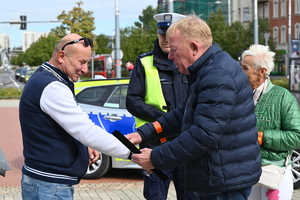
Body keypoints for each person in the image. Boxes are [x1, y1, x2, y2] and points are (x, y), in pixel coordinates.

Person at [126, 15, 262, 200]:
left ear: (194, 47)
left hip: (222, 183)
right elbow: (184, 113)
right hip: (218, 176)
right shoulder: (208, 69)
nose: (170, 56)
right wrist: (145, 133)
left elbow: (204, 134)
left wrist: (155, 158)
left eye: (174, 49)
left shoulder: (217, 74)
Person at [19, 33, 132, 200]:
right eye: (82, 62)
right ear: (61, 56)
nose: (85, 69)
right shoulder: (52, 86)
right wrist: (132, 154)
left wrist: (83, 145)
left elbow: (58, 127)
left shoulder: (47, 78)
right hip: (49, 186)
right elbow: (85, 130)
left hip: (46, 183)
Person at [126, 13, 197, 200]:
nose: (166, 39)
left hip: (185, 143)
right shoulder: (144, 62)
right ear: (157, 35)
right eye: (162, 34)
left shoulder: (191, 62)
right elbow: (133, 101)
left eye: (170, 35)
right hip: (156, 144)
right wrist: (163, 119)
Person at [241, 44, 300, 200]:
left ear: (262, 72)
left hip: (275, 172)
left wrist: (262, 137)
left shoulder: (283, 97)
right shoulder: (240, 95)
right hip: (247, 169)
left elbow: (296, 136)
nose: (240, 72)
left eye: (245, 68)